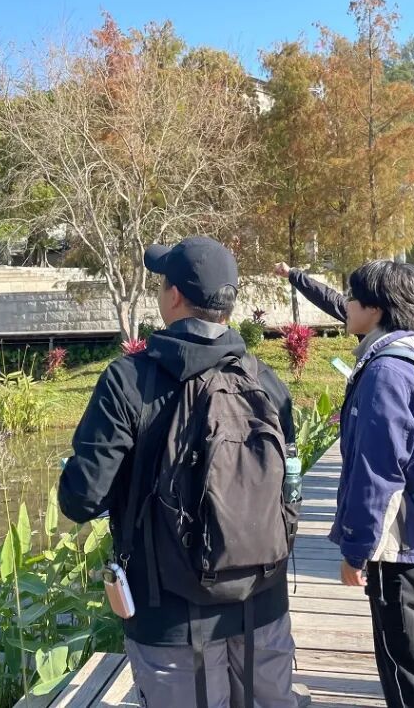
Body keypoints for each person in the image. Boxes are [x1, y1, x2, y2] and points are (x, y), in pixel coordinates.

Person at [59, 236, 308, 708]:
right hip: (263, 604)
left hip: (170, 616)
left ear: (174, 295)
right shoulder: (265, 380)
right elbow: (288, 482)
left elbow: (83, 498)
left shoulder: (128, 380)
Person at [331, 259, 414, 708]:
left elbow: (379, 471)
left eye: (352, 297)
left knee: (405, 667)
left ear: (376, 309)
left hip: (398, 546)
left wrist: (357, 549)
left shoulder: (386, 371)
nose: (345, 305)